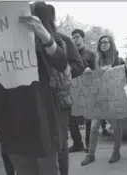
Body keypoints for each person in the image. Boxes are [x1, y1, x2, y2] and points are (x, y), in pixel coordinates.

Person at [0, 1, 68, 175]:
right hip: (10, 120)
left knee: (48, 170)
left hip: (40, 118)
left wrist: (45, 36)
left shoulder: (42, 32)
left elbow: (61, 62)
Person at [81, 35, 127, 166]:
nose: (103, 44)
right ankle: (90, 154)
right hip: (100, 97)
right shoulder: (98, 60)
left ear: (111, 44)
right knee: (94, 126)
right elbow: (95, 78)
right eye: (101, 42)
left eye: (106, 42)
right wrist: (89, 72)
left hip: (114, 98)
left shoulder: (119, 60)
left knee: (115, 127)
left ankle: (116, 152)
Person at [46, 4, 84, 175]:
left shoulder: (62, 40)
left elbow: (78, 66)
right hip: (34, 102)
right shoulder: (23, 41)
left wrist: (61, 72)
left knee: (60, 144)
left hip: (59, 100)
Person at [69, 29, 112, 153]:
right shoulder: (69, 53)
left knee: (88, 117)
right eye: (73, 37)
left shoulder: (90, 54)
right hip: (72, 87)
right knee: (70, 118)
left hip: (87, 88)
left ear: (83, 38)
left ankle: (88, 144)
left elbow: (95, 72)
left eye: (77, 37)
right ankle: (77, 144)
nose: (75, 39)